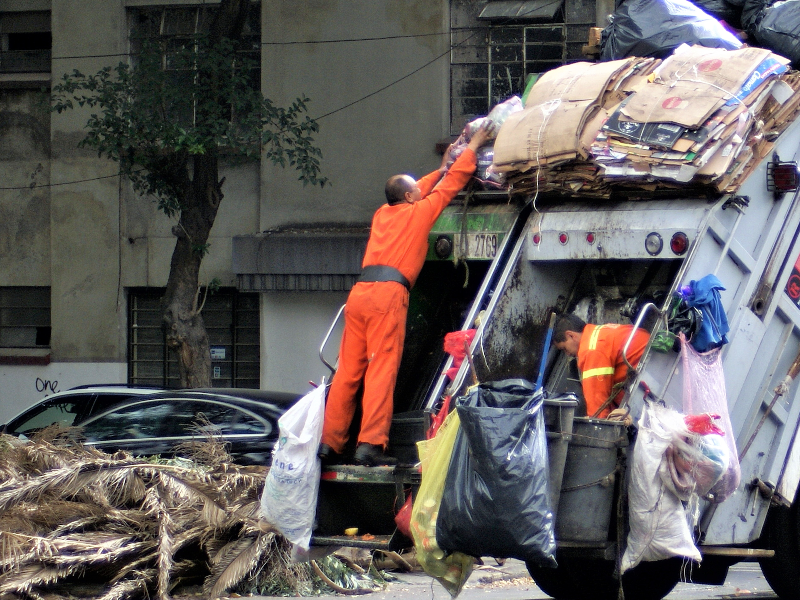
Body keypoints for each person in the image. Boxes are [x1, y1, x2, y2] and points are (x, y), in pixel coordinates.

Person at [319, 123, 495, 467]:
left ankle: (329, 443)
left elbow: (428, 184)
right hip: (388, 296)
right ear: (412, 197)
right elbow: (452, 184)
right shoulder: (420, 212)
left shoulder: (383, 214)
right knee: (380, 370)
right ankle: (371, 445)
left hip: (359, 295)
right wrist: (474, 145)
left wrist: (440, 167)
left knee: (347, 373)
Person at [552, 314, 650, 421]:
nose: (567, 354)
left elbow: (597, 401)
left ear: (571, 335)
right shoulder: (599, 331)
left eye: (564, 348)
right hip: (652, 360)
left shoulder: (591, 350)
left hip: (648, 377)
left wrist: (595, 424)